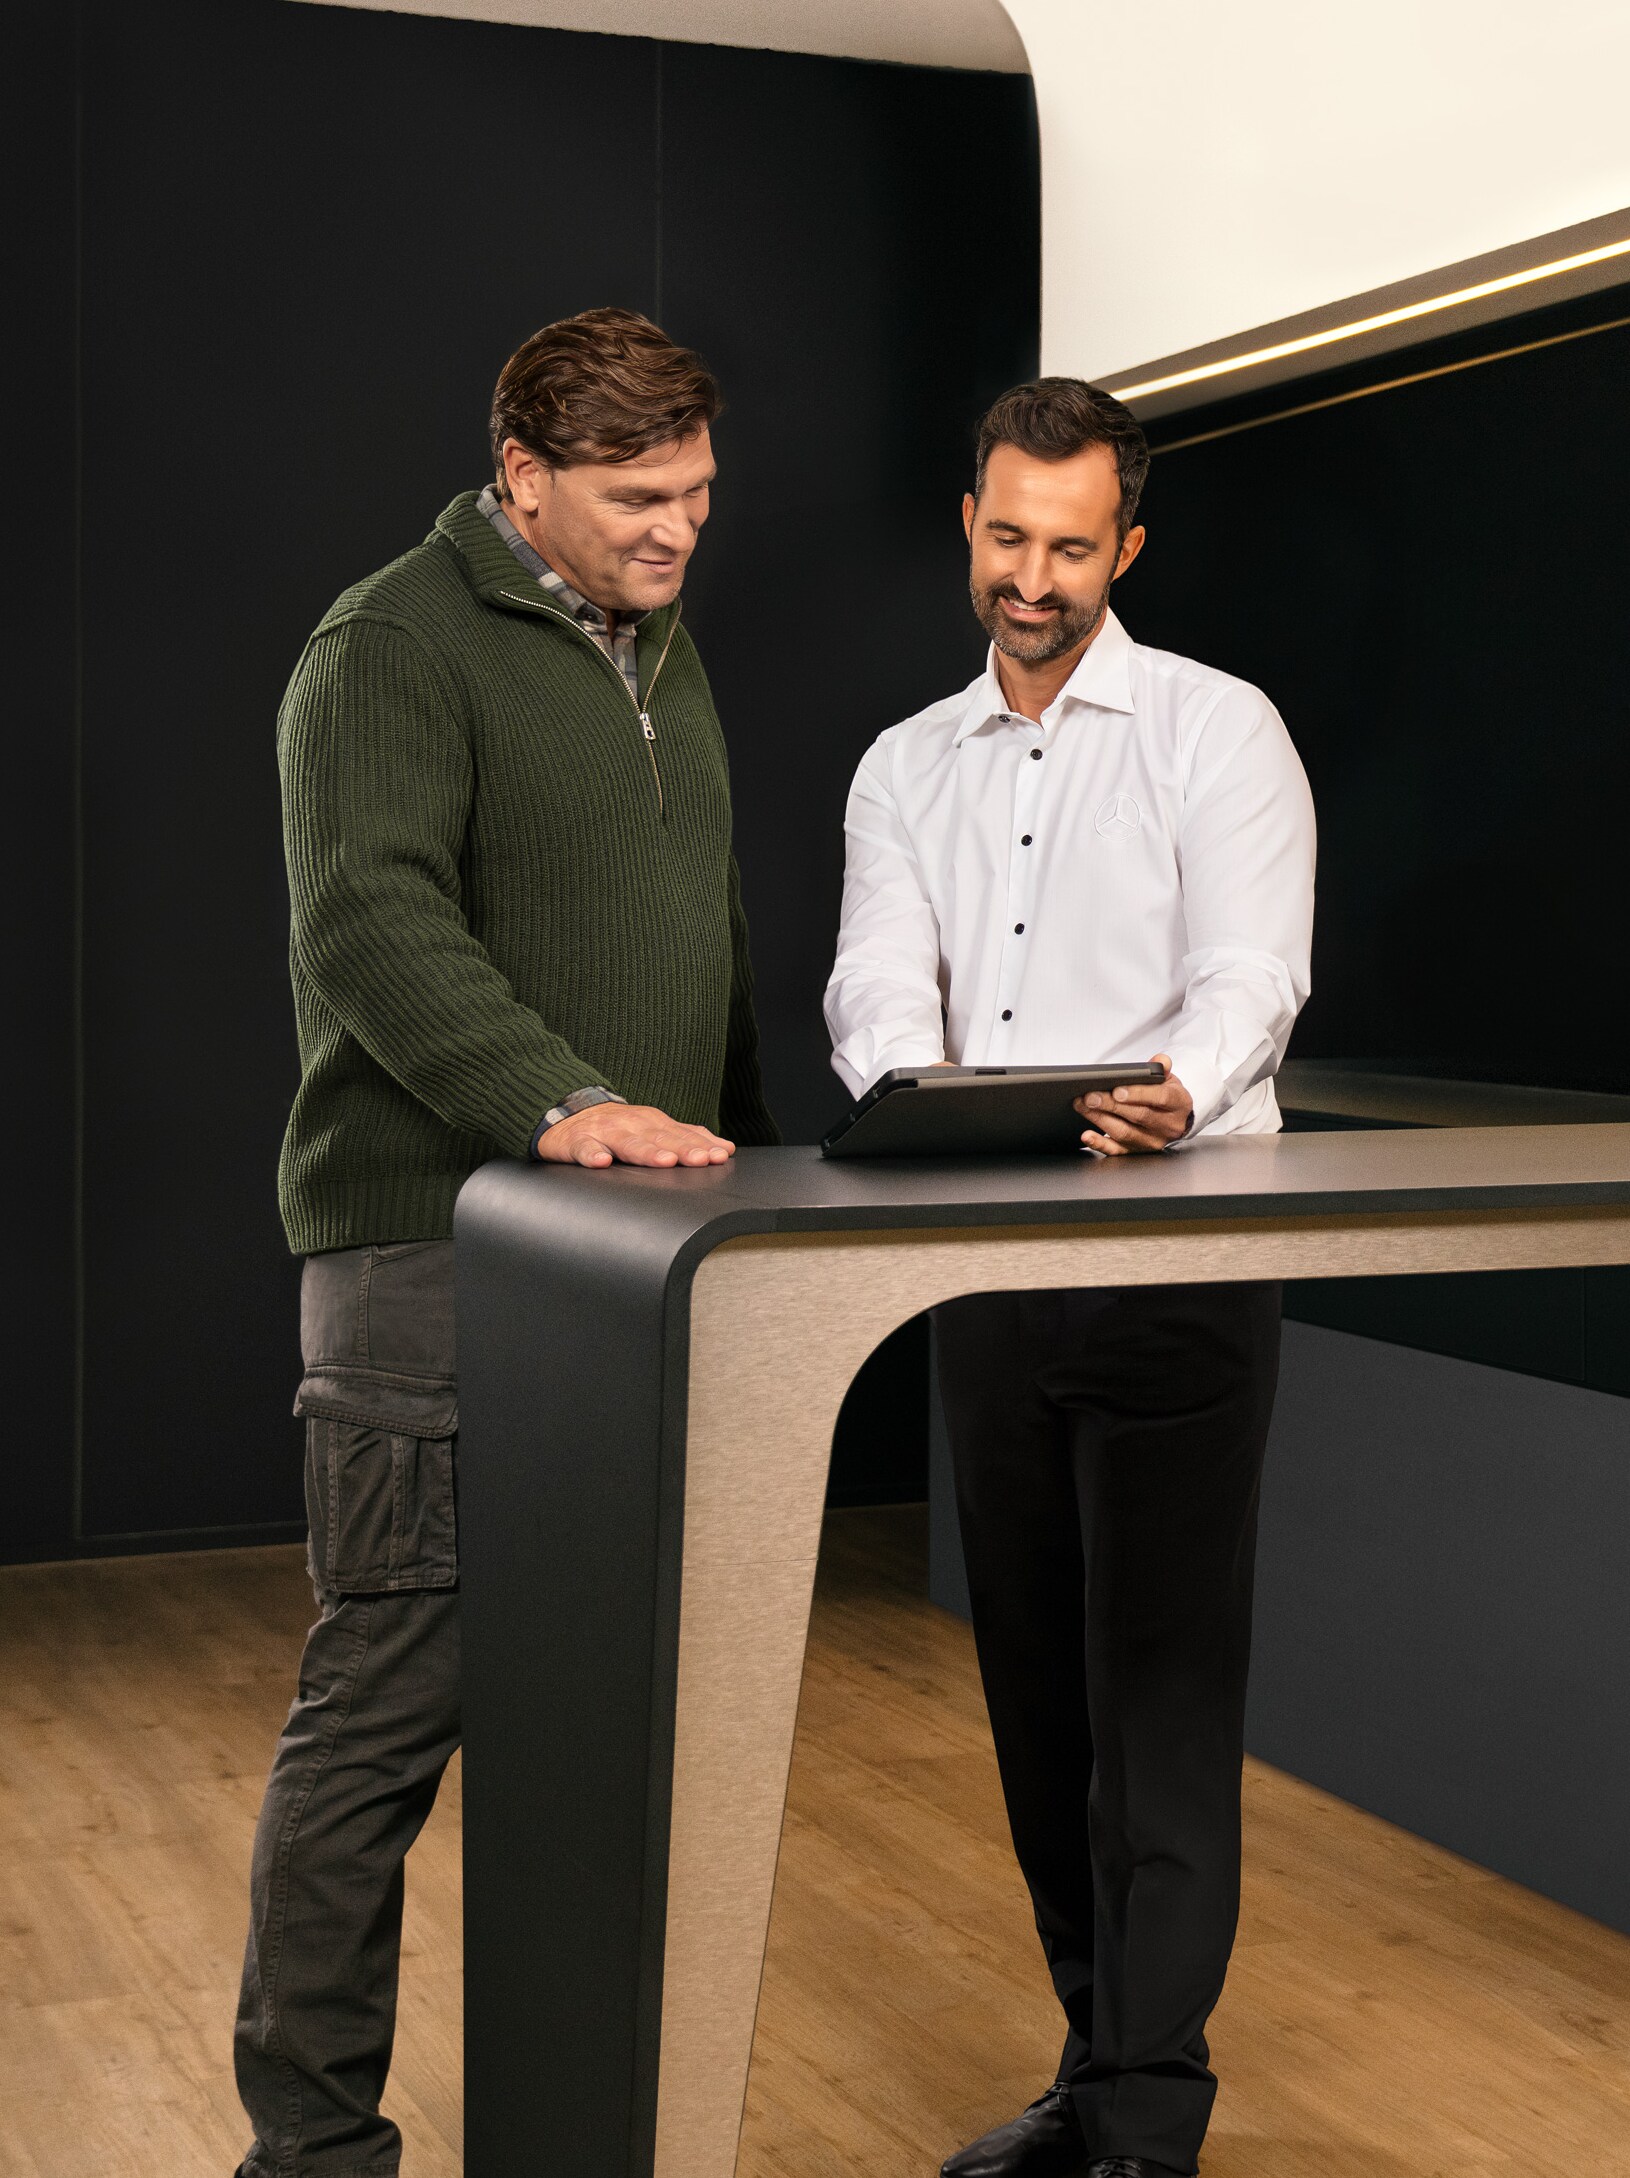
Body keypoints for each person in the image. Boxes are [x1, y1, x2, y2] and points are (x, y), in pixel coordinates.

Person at [234, 307, 778, 2178]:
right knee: (384, 1720)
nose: (678, 530)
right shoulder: (386, 641)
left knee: (609, 1727)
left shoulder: (654, 643)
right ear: (521, 478)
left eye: (701, 493)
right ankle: (308, 2156)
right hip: (433, 1261)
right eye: (639, 497)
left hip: (638, 1267)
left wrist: (769, 1165)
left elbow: (689, 931)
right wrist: (557, 1103)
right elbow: (367, 925)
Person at [825, 378, 1315, 2178]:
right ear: (970, 521)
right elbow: (879, 980)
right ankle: (1092, 2064)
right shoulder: (902, 764)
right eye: (1006, 536)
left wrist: (1174, 1088)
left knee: (1160, 1699)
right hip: (988, 1268)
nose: (1033, 577)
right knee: (1039, 1697)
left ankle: (1144, 2122)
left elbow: (1252, 970)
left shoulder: (1217, 728)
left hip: (1181, 1253)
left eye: (1070, 545)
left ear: (1126, 544)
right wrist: (913, 1086)